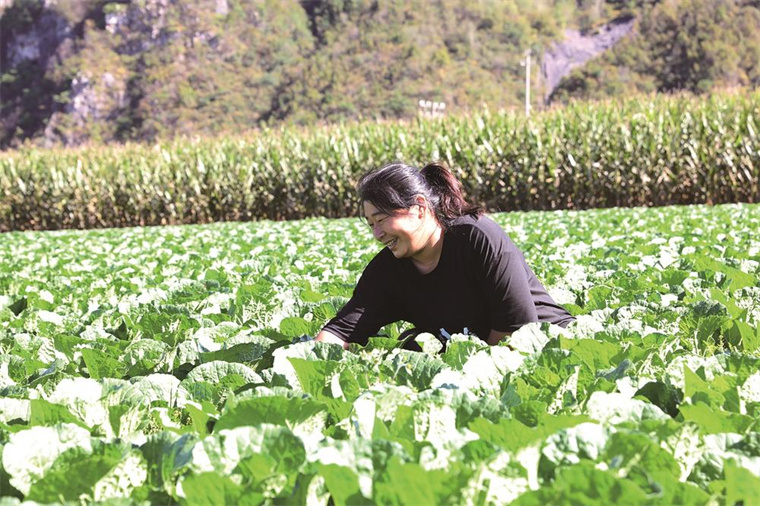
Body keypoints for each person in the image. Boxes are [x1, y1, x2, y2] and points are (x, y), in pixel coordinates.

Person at [315, 161, 574, 350]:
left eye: (382, 220)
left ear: (419, 207)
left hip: (551, 350)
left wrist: (470, 373)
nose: (377, 234)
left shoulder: (477, 238)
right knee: (412, 347)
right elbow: (341, 332)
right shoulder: (387, 270)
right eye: (371, 224)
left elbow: (517, 331)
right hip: (473, 363)